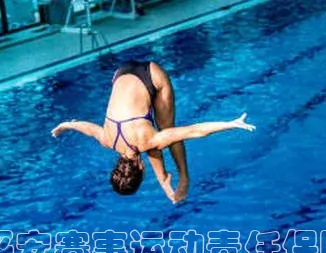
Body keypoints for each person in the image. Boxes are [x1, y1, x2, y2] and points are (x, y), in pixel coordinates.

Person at [51, 60, 255, 203]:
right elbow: (87, 128)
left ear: (141, 169)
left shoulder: (148, 141)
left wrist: (231, 124)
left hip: (151, 75)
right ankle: (165, 182)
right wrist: (66, 125)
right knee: (153, 143)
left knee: (166, 132)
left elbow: (194, 131)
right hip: (121, 72)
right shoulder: (107, 139)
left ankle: (183, 177)